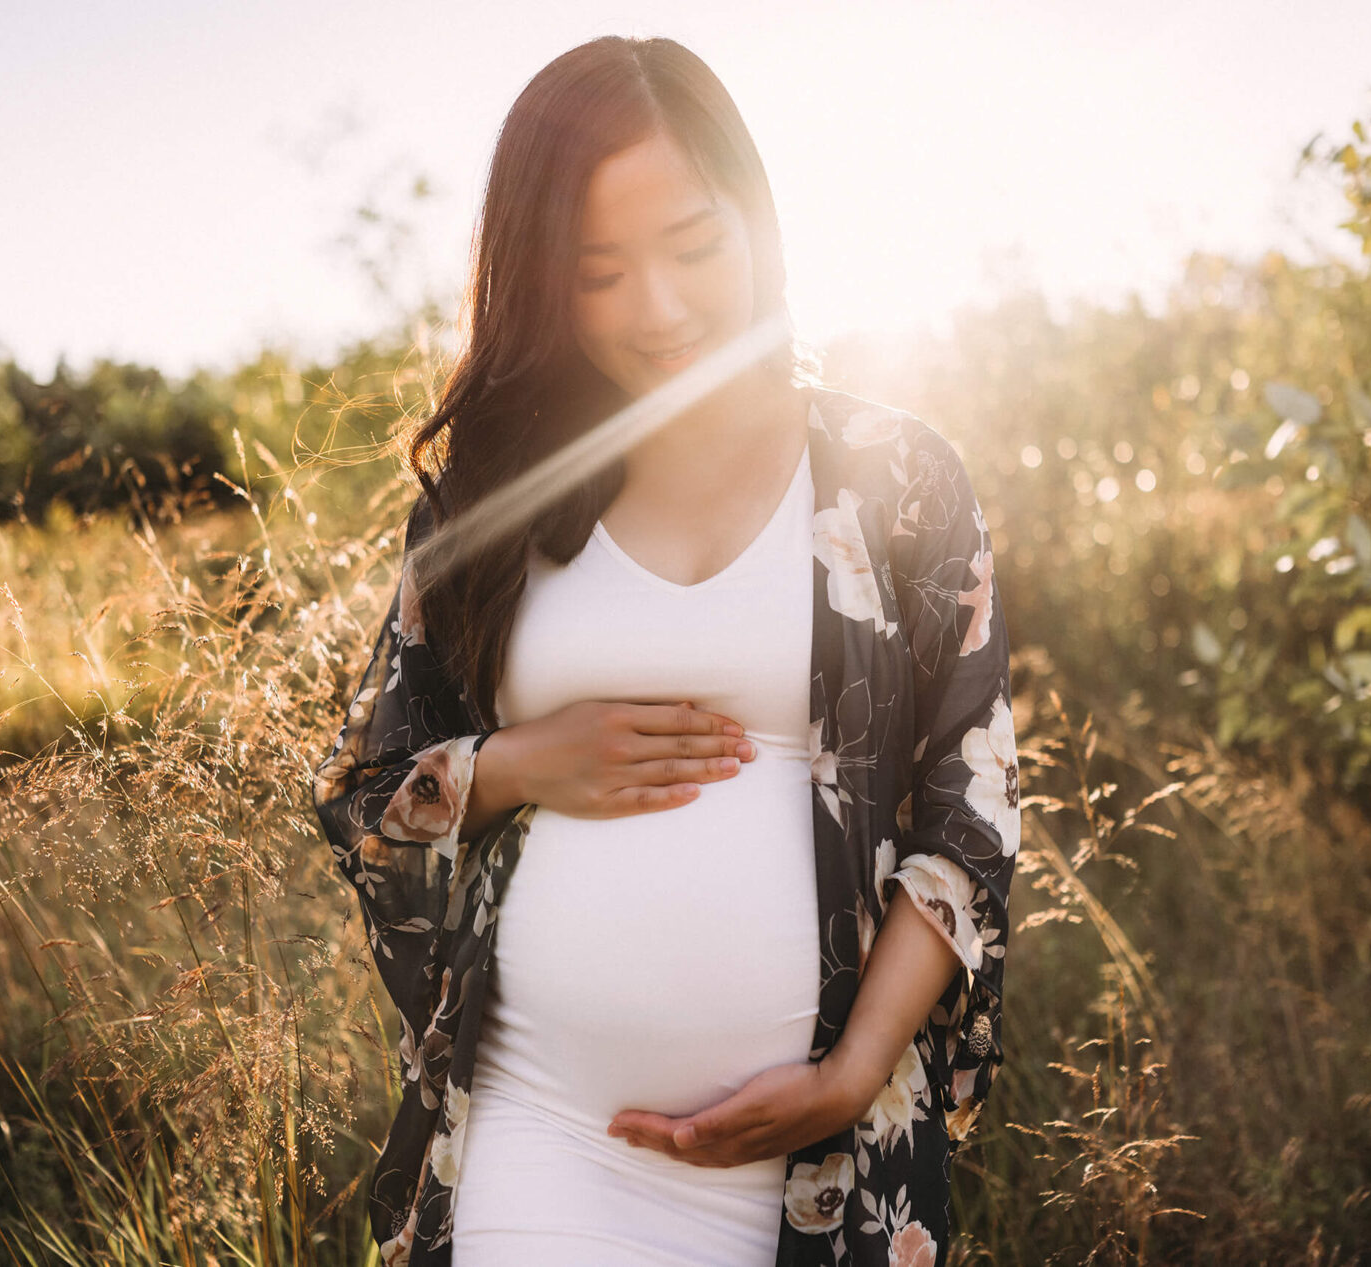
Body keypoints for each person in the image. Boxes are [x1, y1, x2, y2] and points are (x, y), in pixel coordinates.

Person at [310, 34, 1018, 1267]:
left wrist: (851, 1072)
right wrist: (521, 763)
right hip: (540, 1127)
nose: (664, 308)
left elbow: (973, 809)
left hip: (822, 1156)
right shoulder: (490, 501)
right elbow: (364, 797)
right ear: (538, 280)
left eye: (695, 248)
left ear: (757, 218)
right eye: (599, 272)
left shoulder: (896, 479)